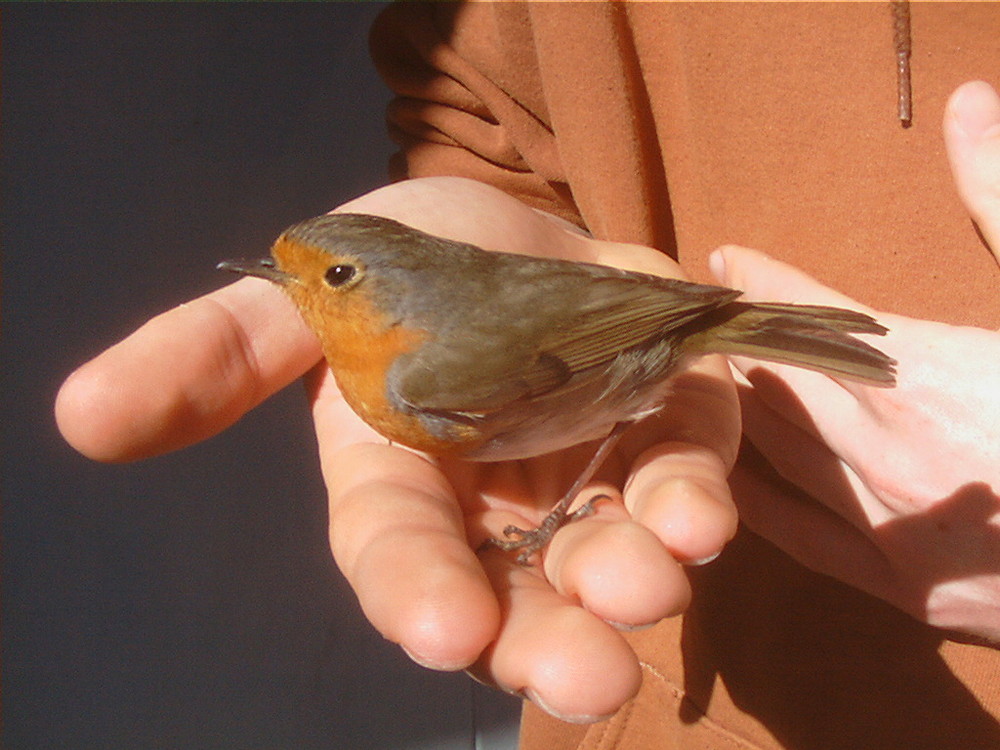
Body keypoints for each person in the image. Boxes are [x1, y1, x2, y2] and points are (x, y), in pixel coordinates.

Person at [56, 3, 1000, 748]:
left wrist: (571, 491)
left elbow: (602, 351)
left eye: (333, 278)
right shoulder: (384, 357)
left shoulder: (426, 372)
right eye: (292, 271)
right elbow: (480, 108)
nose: (292, 286)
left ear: (395, 288)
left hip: (621, 349)